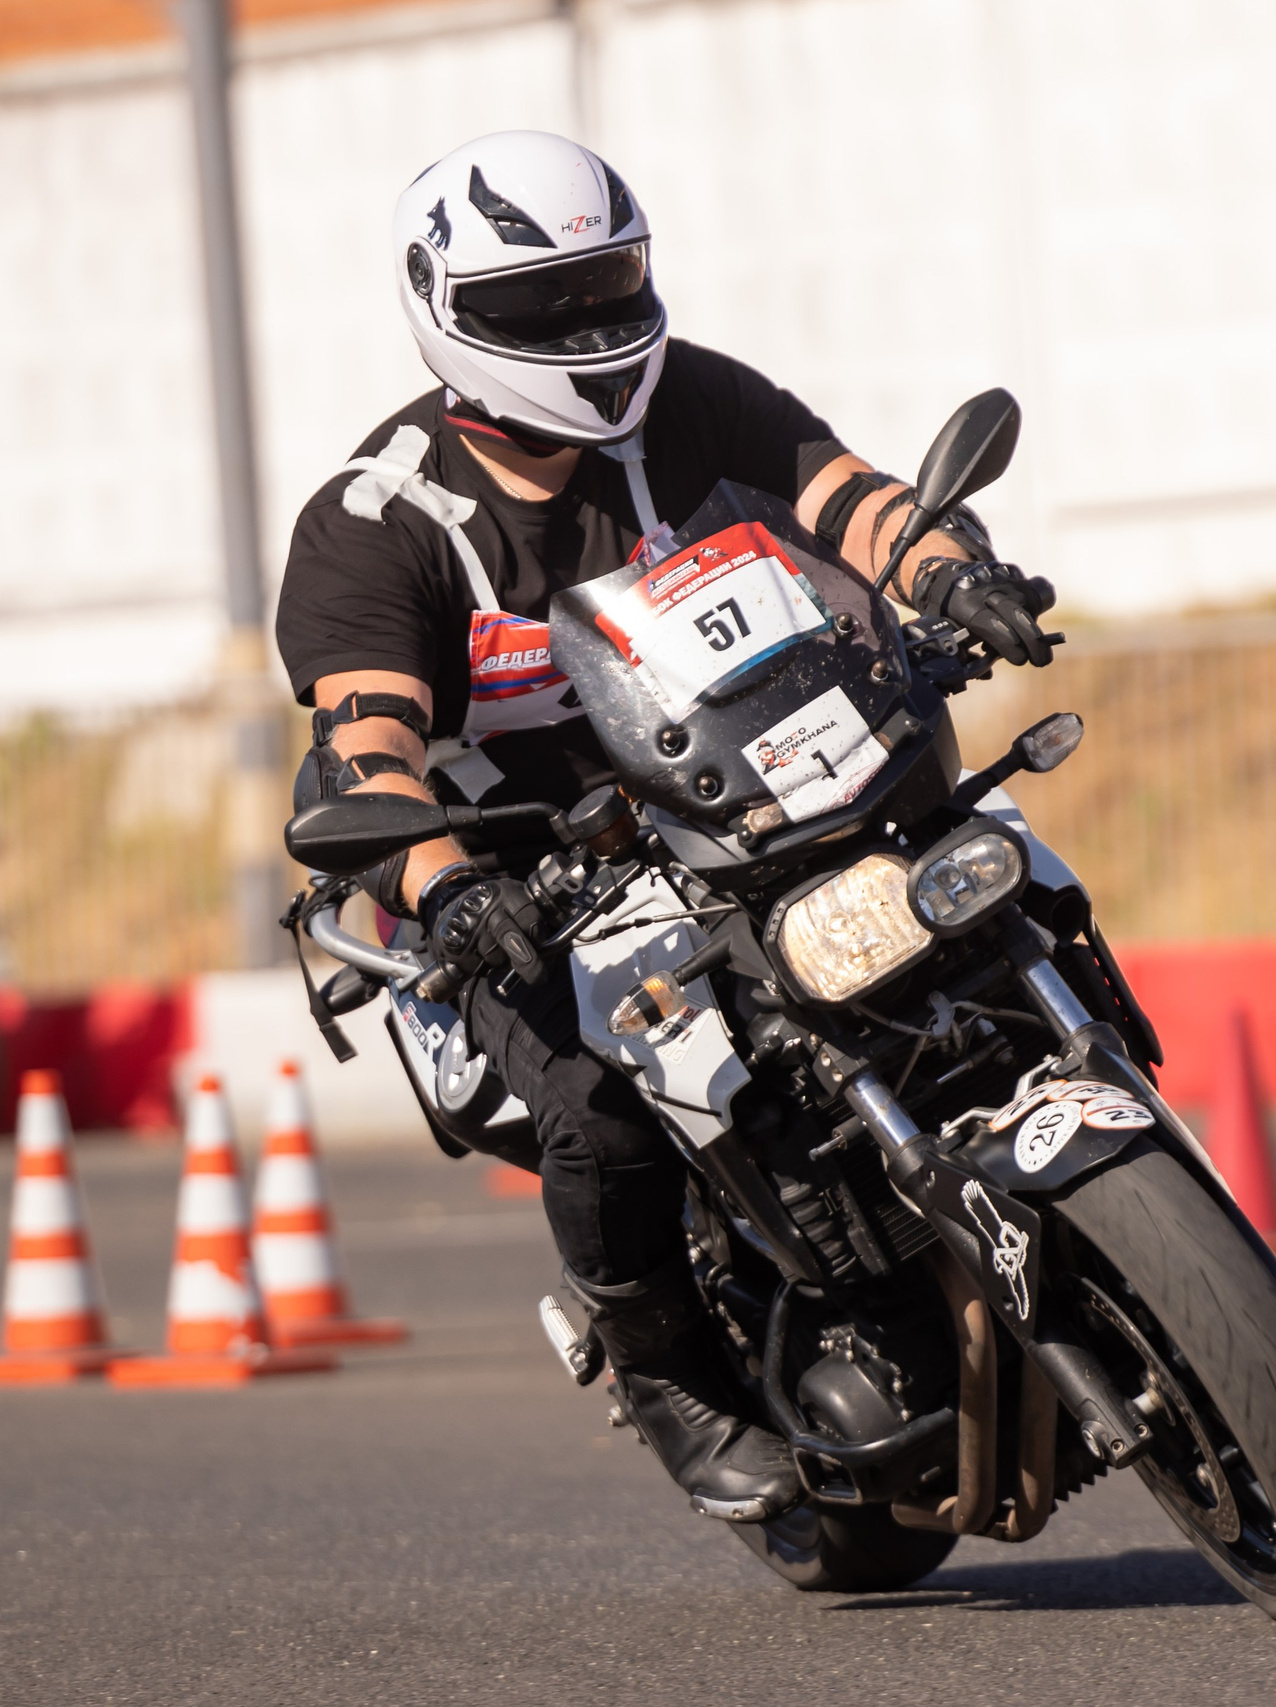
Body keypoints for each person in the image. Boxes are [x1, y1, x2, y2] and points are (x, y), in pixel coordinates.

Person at [275, 132, 1056, 1522]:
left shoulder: (694, 397)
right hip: (534, 876)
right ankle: (669, 1370)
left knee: (1008, 892)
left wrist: (953, 573)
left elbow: (854, 498)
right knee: (606, 1118)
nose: (585, 327)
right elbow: (366, 746)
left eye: (607, 282)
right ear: (446, 312)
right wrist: (452, 892)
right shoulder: (375, 520)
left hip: (773, 793)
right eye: (538, 307)